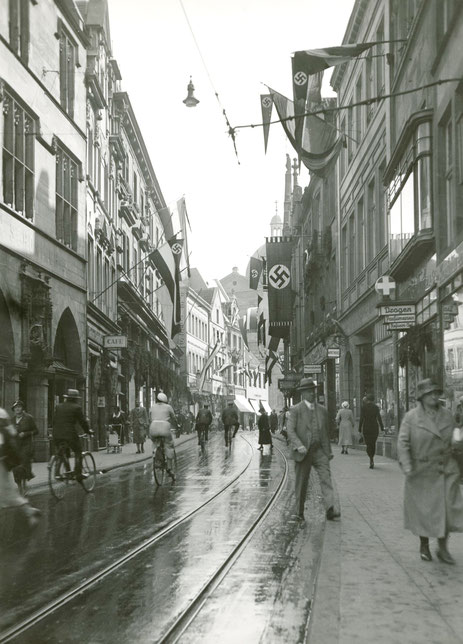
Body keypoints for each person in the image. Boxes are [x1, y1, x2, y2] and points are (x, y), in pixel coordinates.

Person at [397, 379, 463, 564]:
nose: (435, 396)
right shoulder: (411, 417)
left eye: (437, 392)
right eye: (431, 393)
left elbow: (454, 439)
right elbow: (403, 443)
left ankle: (443, 548)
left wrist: (458, 441)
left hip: (446, 469)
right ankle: (424, 545)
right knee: (424, 513)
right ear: (422, 396)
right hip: (421, 471)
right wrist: (407, 464)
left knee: (448, 511)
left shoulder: (447, 415)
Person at [287, 378, 339, 521]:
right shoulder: (296, 410)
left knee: (326, 478)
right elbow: (290, 431)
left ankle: (330, 508)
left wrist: (328, 452)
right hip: (303, 452)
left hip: (319, 451)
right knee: (301, 483)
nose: (312, 393)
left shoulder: (322, 410)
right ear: (303, 393)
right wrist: (299, 445)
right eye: (309, 391)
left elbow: (325, 433)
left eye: (313, 390)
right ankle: (299, 512)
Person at [0, 408, 41, 529]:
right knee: (6, 492)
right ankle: (30, 511)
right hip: (4, 462)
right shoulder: (6, 420)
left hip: (1, 463)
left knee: (8, 493)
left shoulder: (2, 427)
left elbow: (1, 446)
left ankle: (30, 512)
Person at [53, 389, 91, 482]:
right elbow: (82, 422)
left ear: (67, 398)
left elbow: (54, 420)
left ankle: (61, 472)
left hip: (56, 434)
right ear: (75, 399)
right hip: (69, 434)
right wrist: (88, 431)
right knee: (78, 451)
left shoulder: (58, 406)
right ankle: (78, 473)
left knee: (63, 452)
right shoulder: (76, 408)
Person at [149, 392, 176, 482]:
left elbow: (150, 417)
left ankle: (155, 454)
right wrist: (176, 425)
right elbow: (173, 417)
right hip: (165, 428)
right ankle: (169, 467)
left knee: (155, 442)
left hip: (153, 427)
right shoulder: (168, 407)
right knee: (169, 445)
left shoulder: (152, 407)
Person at [11, 400, 38, 485]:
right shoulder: (12, 420)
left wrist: (26, 433)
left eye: (19, 407)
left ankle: (24, 483)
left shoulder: (29, 418)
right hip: (16, 446)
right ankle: (19, 485)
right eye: (15, 408)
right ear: (13, 410)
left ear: (22, 408)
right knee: (15, 466)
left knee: (24, 464)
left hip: (26, 445)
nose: (17, 409)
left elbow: (36, 431)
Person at [358, 393, 384, 469]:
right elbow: (379, 418)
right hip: (374, 427)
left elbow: (361, 418)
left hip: (366, 427)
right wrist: (382, 428)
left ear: (367, 399)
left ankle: (370, 457)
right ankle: (372, 458)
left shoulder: (363, 407)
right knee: (373, 443)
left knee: (368, 444)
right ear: (373, 400)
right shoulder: (376, 407)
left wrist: (359, 428)